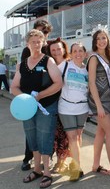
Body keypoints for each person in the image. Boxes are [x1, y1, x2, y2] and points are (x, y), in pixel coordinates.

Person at [10, 29, 62, 188]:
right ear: (28, 44)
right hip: (28, 109)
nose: (36, 44)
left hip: (46, 106)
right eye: (33, 41)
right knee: (32, 137)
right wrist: (25, 99)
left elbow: (58, 84)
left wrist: (39, 96)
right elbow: (14, 87)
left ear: (43, 43)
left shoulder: (48, 61)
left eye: (39, 41)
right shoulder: (22, 65)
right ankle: (37, 169)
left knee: (45, 137)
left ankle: (47, 172)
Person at [87, 29, 110, 181]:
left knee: (101, 132)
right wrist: (99, 106)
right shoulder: (94, 58)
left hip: (108, 99)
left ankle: (95, 165)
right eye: (99, 39)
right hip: (99, 101)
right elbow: (91, 83)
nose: (102, 41)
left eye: (104, 38)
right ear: (95, 42)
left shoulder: (108, 56)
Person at [20, 19, 53, 171]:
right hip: (30, 98)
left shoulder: (51, 48)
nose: (43, 35)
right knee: (31, 131)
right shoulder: (27, 50)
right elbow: (24, 72)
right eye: (40, 31)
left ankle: (48, 159)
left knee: (45, 132)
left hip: (48, 97)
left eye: (45, 32)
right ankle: (28, 157)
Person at [58, 42, 89, 181]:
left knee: (78, 136)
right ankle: (76, 168)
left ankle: (75, 161)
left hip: (83, 108)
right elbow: (51, 77)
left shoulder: (88, 69)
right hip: (66, 107)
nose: (78, 54)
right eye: (75, 51)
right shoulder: (64, 66)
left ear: (85, 53)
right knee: (72, 137)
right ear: (70, 53)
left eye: (80, 51)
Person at [46, 37, 70, 174]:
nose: (56, 52)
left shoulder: (70, 64)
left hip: (66, 106)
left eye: (58, 49)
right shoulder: (49, 65)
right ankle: (49, 161)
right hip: (52, 105)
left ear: (64, 49)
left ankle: (61, 163)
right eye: (53, 50)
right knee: (52, 135)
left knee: (64, 136)